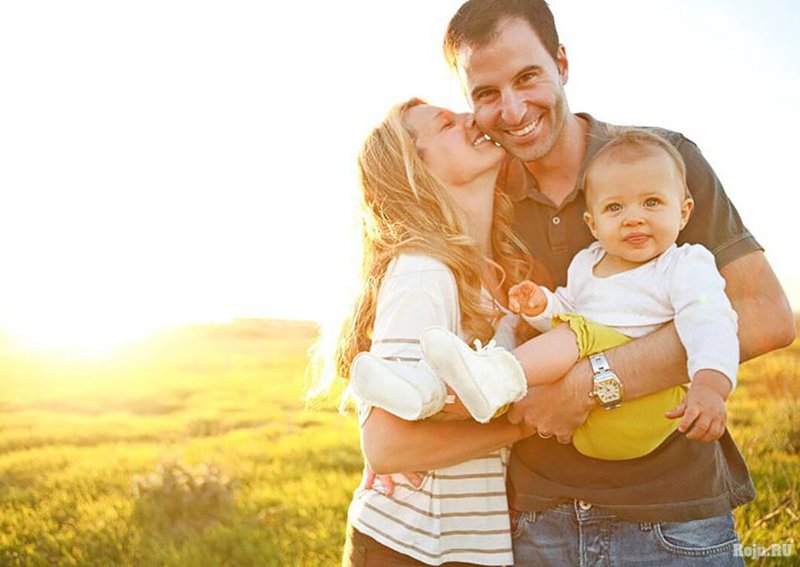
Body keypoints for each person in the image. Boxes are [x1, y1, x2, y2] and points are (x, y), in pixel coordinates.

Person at [395, 0, 793, 564]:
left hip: (672, 516)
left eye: (527, 77)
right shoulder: (484, 186)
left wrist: (590, 383)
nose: (512, 110)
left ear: (561, 63)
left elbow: (765, 316)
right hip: (536, 520)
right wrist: (394, 452)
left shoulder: (659, 163)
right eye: (486, 93)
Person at [355, 127, 739, 463]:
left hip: (646, 410)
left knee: (574, 333)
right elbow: (567, 309)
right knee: (543, 356)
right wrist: (542, 306)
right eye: (614, 207)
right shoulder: (588, 263)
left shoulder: (684, 264)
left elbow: (711, 321)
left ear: (684, 212)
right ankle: (427, 392)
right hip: (586, 425)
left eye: (652, 202)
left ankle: (490, 374)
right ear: (592, 223)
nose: (634, 217)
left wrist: (710, 385)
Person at [336, 98, 536, 566]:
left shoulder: (505, 272)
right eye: (447, 123)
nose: (473, 118)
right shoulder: (424, 271)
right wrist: (524, 426)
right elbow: (387, 447)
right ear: (415, 169)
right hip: (411, 548)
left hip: (468, 546)